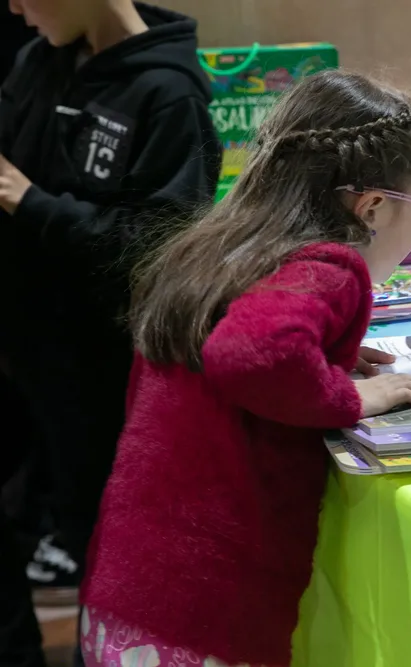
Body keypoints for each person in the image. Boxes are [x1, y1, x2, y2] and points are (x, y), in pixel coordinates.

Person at [81, 70, 411, 667]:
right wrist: (354, 397)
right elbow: (251, 354)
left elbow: (232, 347)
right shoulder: (327, 267)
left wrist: (325, 356)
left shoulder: (220, 246)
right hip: (206, 613)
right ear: (373, 207)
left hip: (131, 586)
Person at [0, 0, 220, 664]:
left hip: (97, 377)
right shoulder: (38, 60)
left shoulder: (168, 94)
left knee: (100, 546)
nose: (14, 7)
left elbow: (157, 247)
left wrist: (32, 204)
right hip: (20, 350)